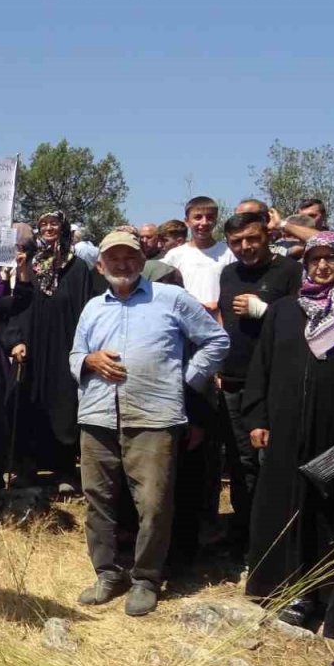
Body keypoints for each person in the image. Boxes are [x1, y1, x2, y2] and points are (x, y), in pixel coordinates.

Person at [70, 231, 228, 617]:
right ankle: (108, 574)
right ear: (101, 265)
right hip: (97, 416)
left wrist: (186, 380)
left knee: (154, 504)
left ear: (142, 262)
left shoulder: (170, 298)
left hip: (154, 418)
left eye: (129, 257)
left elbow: (217, 340)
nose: (122, 264)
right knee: (98, 502)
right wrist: (88, 361)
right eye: (113, 258)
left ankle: (146, 579)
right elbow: (74, 354)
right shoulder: (92, 307)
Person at [243, 231, 334, 636]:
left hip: (331, 435)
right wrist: (257, 418)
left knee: (326, 512)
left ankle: (326, 593)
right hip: (284, 431)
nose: (323, 265)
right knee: (285, 507)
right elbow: (261, 367)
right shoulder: (284, 311)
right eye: (315, 258)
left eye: (331, 258)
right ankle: (288, 591)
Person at [214, 212, 302, 556]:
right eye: (236, 242)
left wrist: (266, 311)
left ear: (267, 236)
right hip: (234, 382)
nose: (245, 247)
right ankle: (246, 535)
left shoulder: (290, 271)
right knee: (241, 464)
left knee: (276, 462)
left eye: (252, 238)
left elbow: (304, 323)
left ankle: (279, 539)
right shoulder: (228, 273)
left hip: (276, 383)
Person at [8, 211, 102, 491]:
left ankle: (64, 470)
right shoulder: (30, 263)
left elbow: (86, 308)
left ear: (64, 228)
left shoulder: (78, 267)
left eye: (54, 223)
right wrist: (18, 338)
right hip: (34, 343)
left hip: (65, 343)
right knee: (30, 402)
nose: (49, 228)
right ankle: (27, 469)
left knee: (64, 404)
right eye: (44, 224)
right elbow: (21, 303)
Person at [162, 197, 236, 313]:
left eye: (210, 217)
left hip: (219, 318)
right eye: (198, 217)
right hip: (184, 318)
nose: (204, 222)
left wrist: (219, 304)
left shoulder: (229, 253)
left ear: (216, 221)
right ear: (187, 221)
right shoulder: (174, 255)